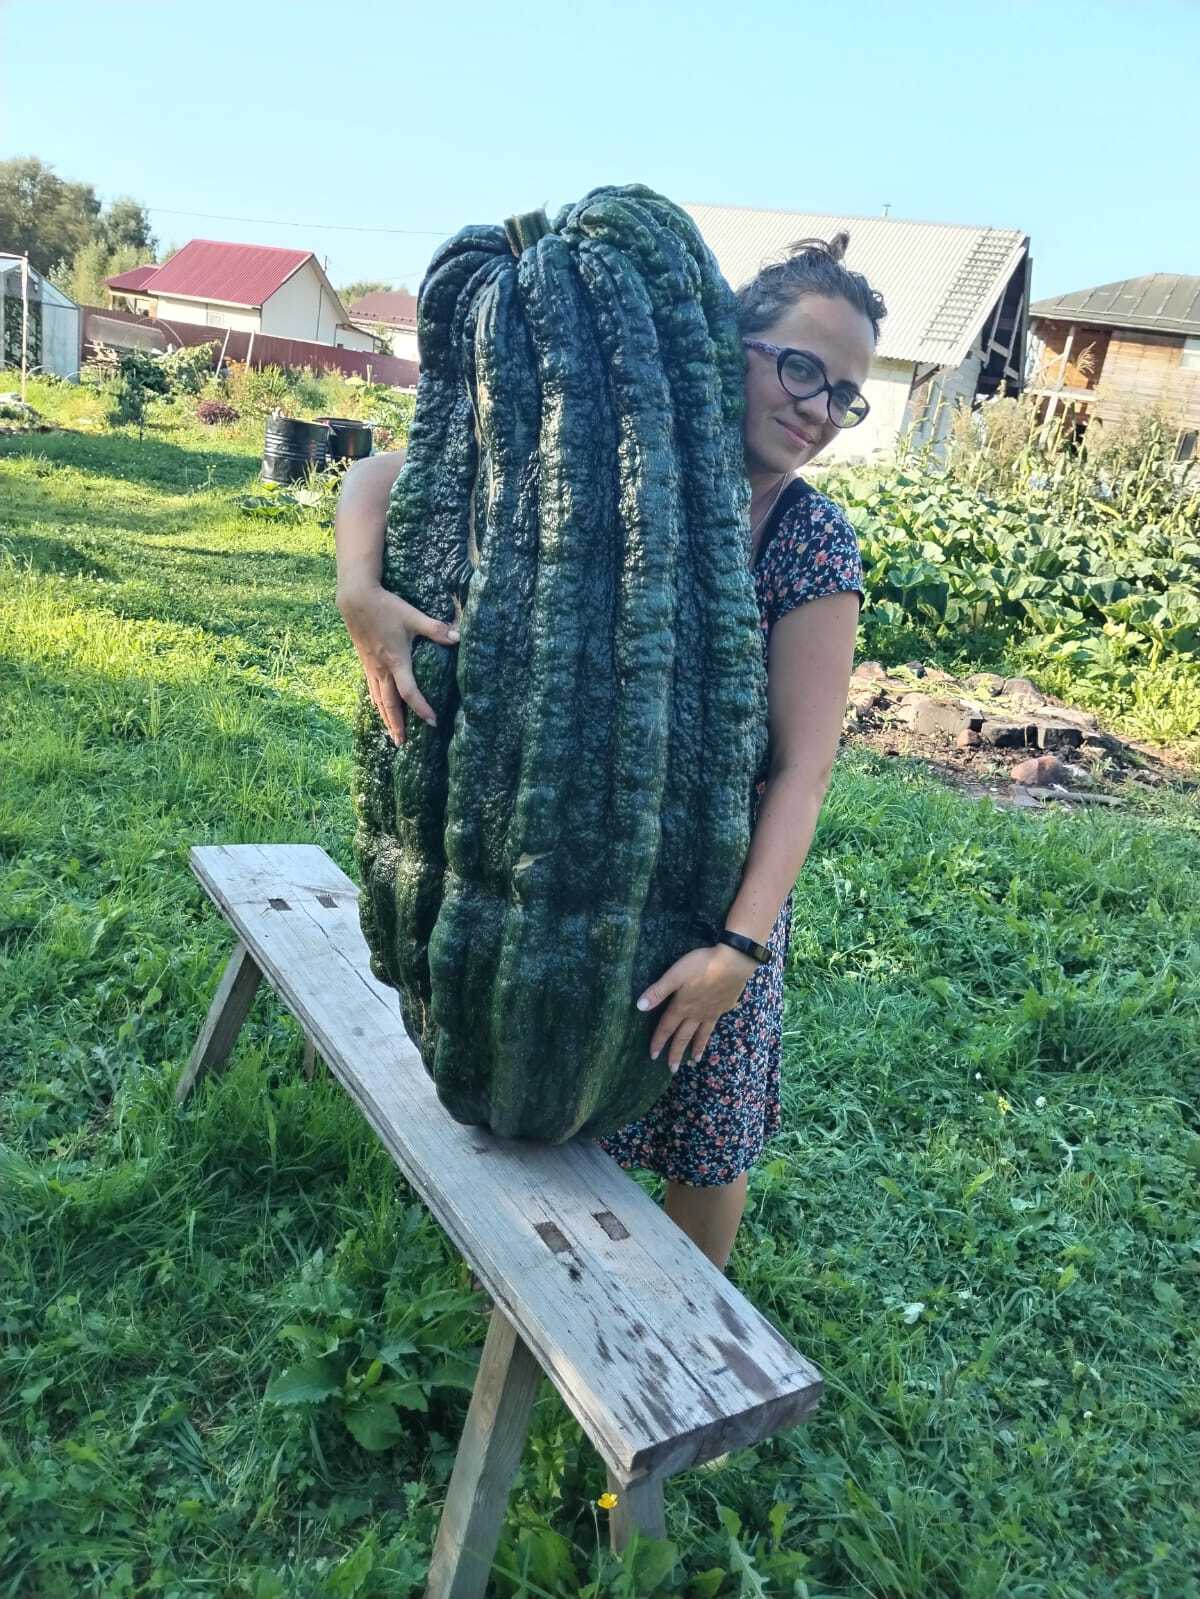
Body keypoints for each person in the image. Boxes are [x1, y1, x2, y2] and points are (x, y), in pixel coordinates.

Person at [334, 234, 886, 1273]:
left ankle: (691, 1358)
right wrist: (359, 591)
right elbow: (378, 473)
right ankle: (560, 1311)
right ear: (729, 346)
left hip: (716, 896)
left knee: (707, 1142)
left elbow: (805, 769)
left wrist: (739, 952)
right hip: (567, 858)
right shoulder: (605, 462)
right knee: (551, 1096)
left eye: (845, 394)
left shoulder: (811, 543)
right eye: (800, 366)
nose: (818, 408)